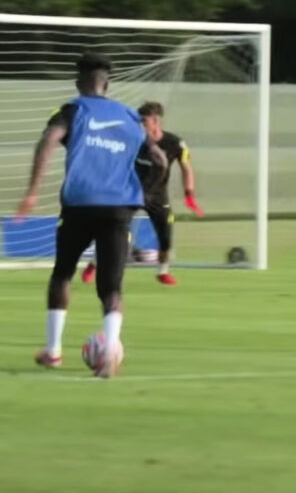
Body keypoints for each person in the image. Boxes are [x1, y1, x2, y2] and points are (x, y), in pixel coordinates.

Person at [16, 53, 166, 376]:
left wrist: (32, 190)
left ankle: (54, 351)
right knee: (111, 287)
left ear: (77, 82)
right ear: (107, 83)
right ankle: (109, 354)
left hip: (79, 203)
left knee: (63, 274)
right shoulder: (129, 117)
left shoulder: (72, 109)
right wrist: (146, 193)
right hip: (119, 207)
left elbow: (48, 140)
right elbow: (159, 159)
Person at [80, 101, 203, 286]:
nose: (140, 124)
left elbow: (186, 168)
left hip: (158, 197)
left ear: (155, 121)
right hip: (131, 193)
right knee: (116, 233)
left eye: (143, 120)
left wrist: (189, 195)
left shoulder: (175, 143)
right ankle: (94, 264)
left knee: (166, 238)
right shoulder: (133, 140)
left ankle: (162, 272)